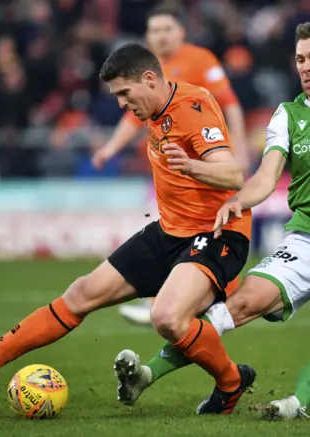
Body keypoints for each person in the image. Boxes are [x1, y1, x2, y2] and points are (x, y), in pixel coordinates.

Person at [0, 42, 256, 415]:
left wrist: (190, 166)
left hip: (218, 233)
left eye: (124, 93)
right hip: (171, 232)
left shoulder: (192, 107)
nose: (121, 103)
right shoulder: (154, 111)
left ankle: (231, 383)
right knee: (82, 292)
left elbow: (233, 173)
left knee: (167, 317)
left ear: (149, 79)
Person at [112, 22, 310, 420]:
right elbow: (265, 177)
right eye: (300, 60)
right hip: (306, 240)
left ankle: (295, 405)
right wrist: (236, 201)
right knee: (236, 305)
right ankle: (146, 374)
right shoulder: (287, 115)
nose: (306, 67)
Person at [92, 5, 249, 327]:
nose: (160, 36)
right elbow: (131, 118)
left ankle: (217, 296)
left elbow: (229, 104)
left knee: (204, 226)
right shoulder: (144, 70)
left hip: (205, 154)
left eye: (166, 29)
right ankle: (172, 295)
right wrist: (110, 148)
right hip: (171, 160)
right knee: (170, 223)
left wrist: (240, 149)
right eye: (154, 31)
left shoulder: (201, 60)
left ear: (181, 32)